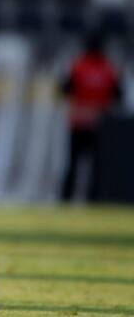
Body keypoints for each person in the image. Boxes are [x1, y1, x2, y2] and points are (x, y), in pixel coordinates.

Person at [60, 31, 122, 202]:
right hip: (100, 124)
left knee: (73, 163)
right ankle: (94, 198)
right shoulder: (108, 69)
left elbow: (65, 89)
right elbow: (118, 96)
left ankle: (67, 197)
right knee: (96, 166)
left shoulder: (78, 66)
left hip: (78, 121)